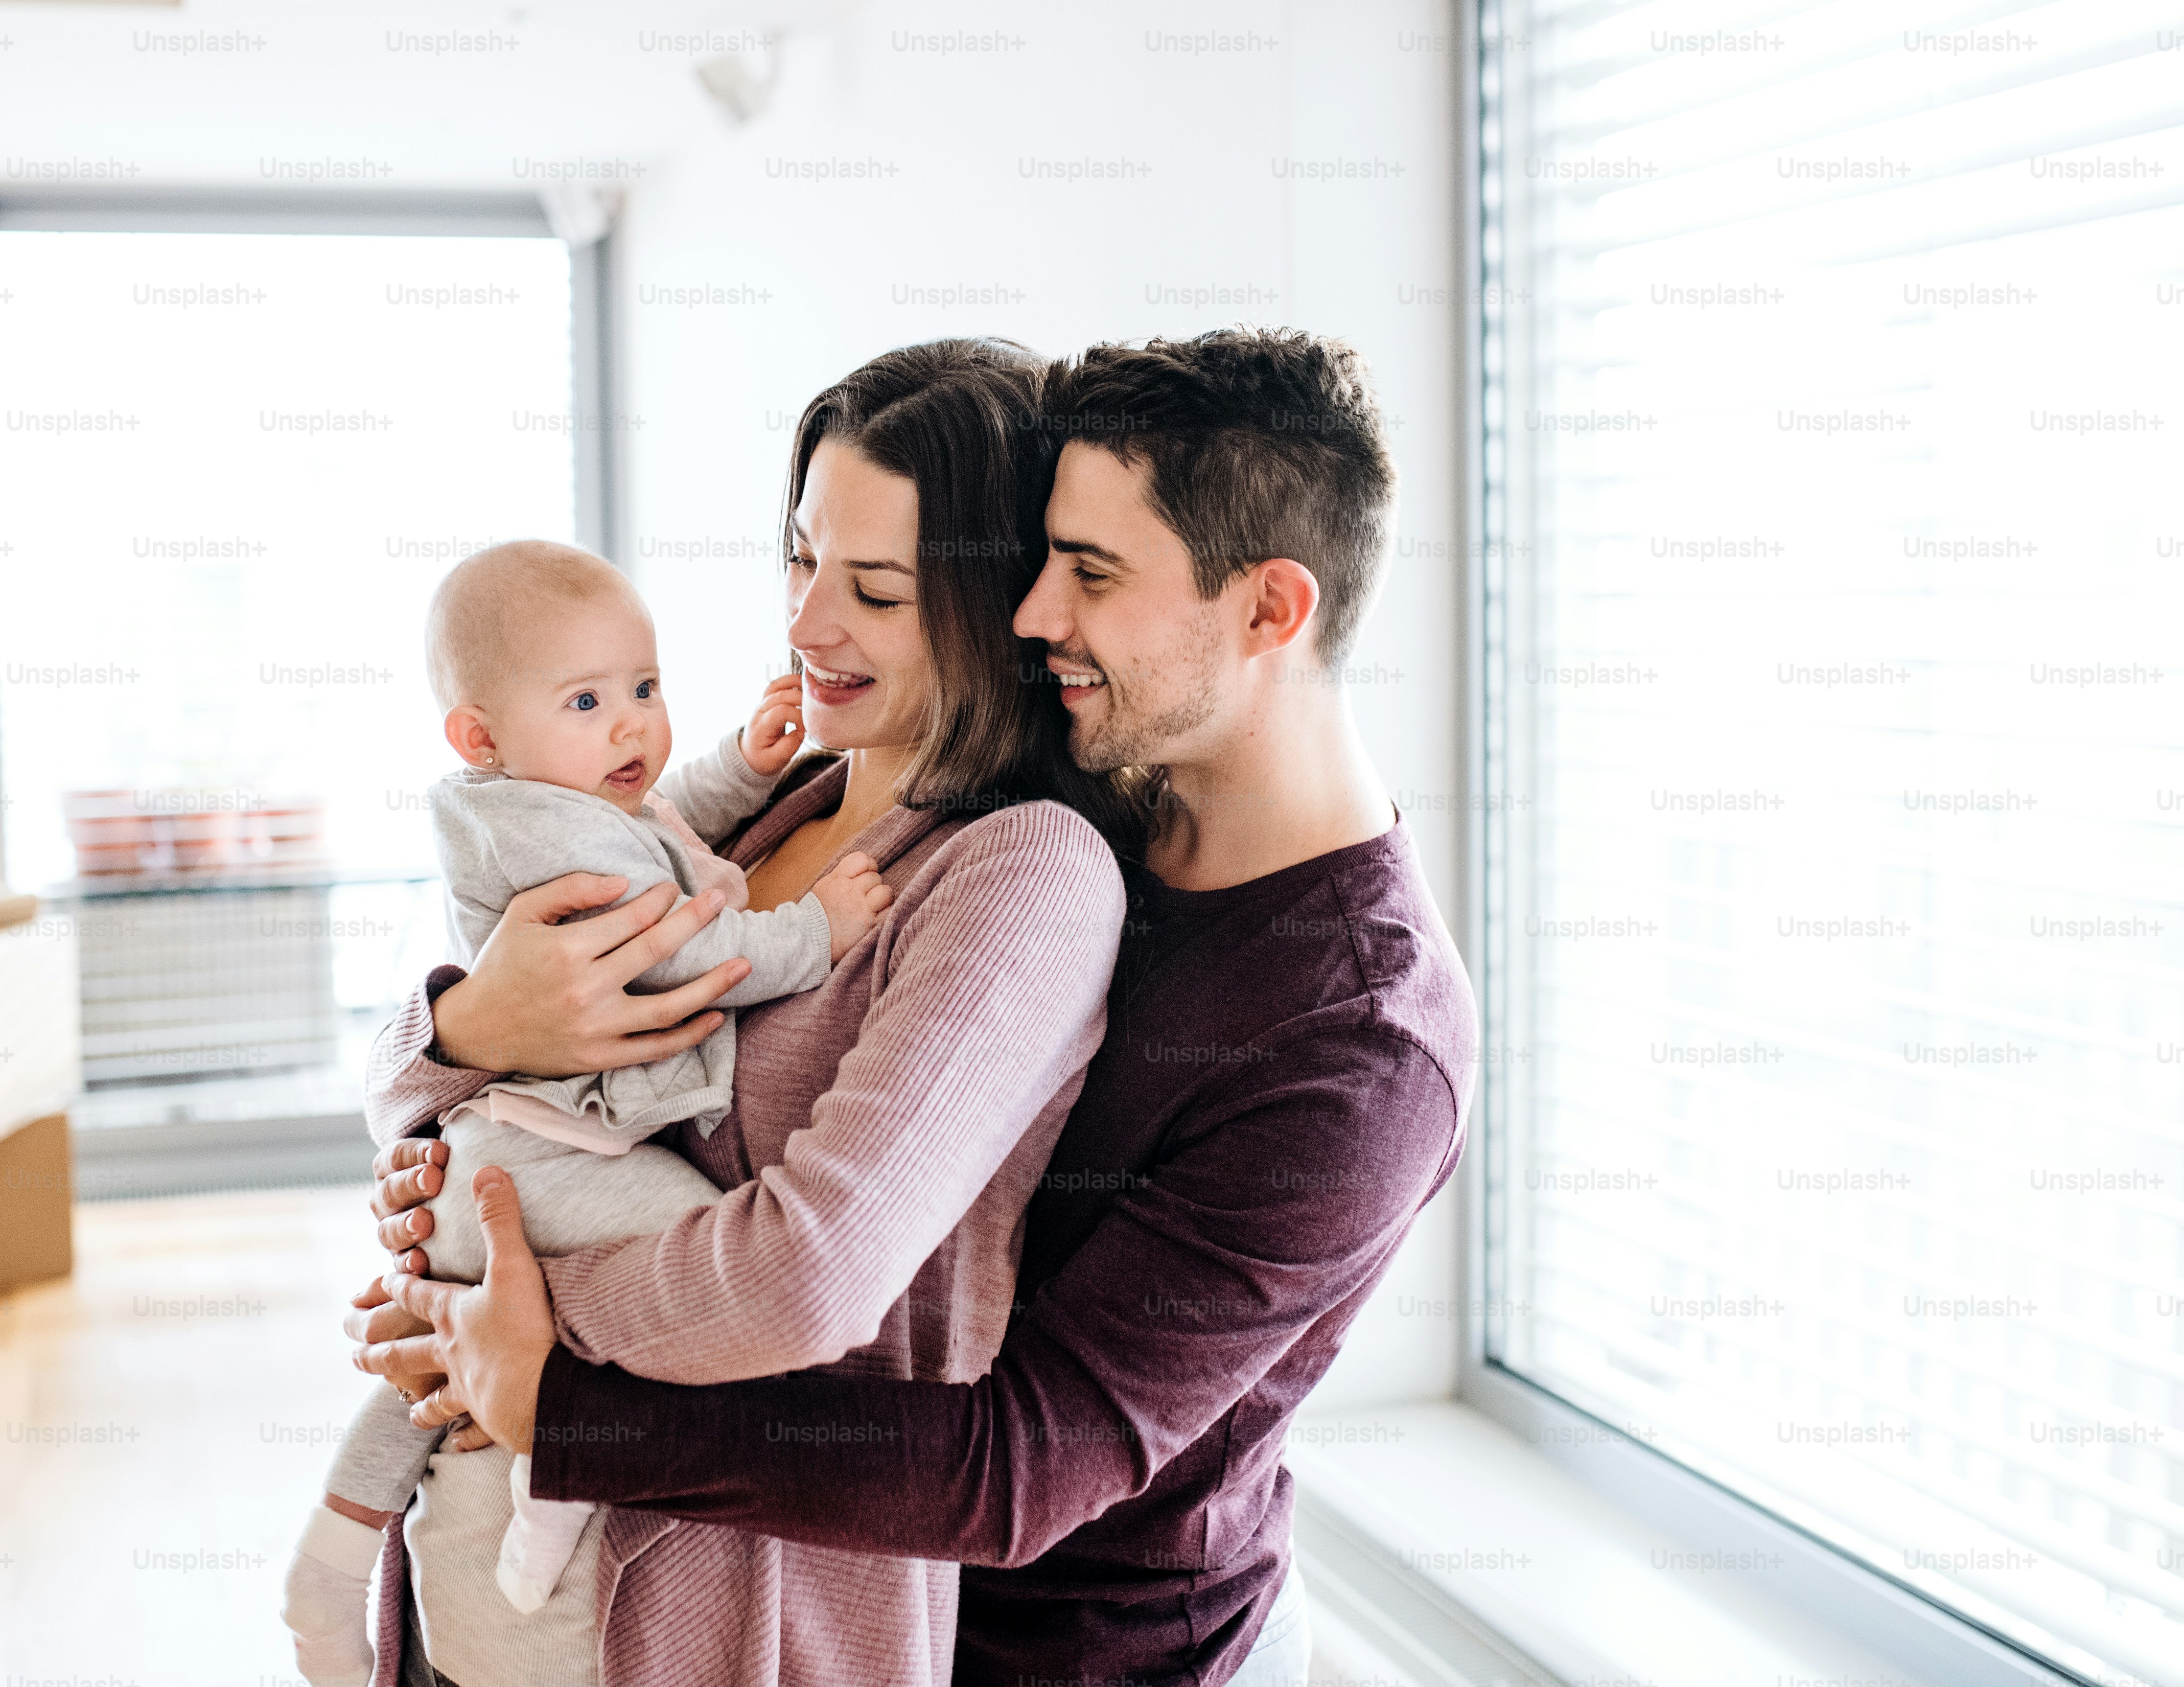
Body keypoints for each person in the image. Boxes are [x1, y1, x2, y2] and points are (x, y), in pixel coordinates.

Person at [355, 327, 1478, 1687]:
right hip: (723, 1552)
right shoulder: (903, 792)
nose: (1036, 612)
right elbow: (537, 1040)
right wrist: (464, 1048)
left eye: (1091, 574)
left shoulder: (1352, 1034)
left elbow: (1019, 1456)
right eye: (804, 555)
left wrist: (537, 1360)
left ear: (1268, 611)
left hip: (1076, 1641)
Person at [341, 338, 1154, 1686]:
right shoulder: (760, 808)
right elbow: (431, 1080)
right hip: (487, 1547)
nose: (806, 623)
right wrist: (467, 1037)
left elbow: (803, 1277)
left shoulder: (1017, 877)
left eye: (875, 591)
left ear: (1002, 605)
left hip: (728, 1606)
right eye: (801, 556)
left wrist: (505, 1319)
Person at [278, 539, 896, 1686]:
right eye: (587, 701)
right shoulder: (530, 827)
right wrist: (814, 931)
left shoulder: (558, 796)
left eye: (645, 690)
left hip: (513, 1142)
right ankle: (547, 1486)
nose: (630, 728)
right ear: (481, 738)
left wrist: (740, 768)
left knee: (440, 1342)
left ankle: (338, 1534)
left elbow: (658, 823)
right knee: (694, 1232)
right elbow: (682, 947)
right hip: (536, 1147)